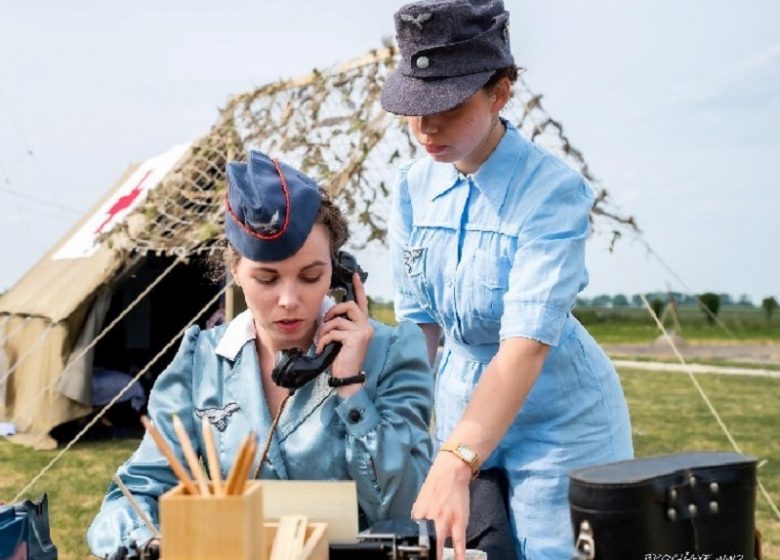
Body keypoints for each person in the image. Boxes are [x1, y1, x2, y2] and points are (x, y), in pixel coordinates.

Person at [87, 150, 433, 557]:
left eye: (311, 276)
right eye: (266, 279)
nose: (289, 300)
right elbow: (133, 494)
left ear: (341, 274)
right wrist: (147, 543)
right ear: (234, 270)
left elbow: (408, 507)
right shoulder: (201, 360)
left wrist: (351, 388)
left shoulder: (391, 352)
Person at [382, 1, 634, 559]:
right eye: (414, 106)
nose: (425, 125)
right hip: (459, 407)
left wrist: (455, 460)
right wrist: (395, 418)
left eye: (446, 104)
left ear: (500, 93)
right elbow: (419, 326)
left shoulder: (552, 192)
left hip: (560, 421)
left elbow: (524, 349)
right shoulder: (410, 188)